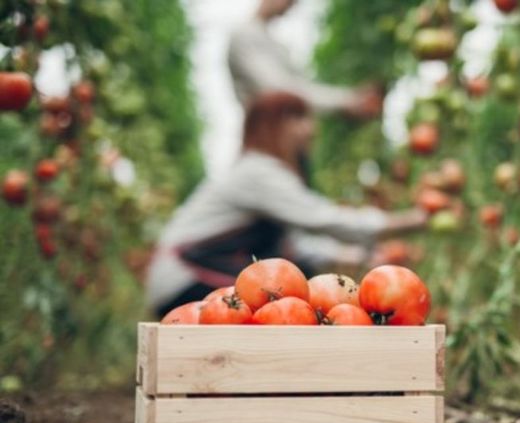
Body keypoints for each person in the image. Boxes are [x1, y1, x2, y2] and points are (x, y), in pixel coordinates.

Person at [146, 92, 426, 317]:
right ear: (274, 126)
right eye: (299, 118)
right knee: (289, 298)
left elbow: (297, 247)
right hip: (185, 279)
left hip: (188, 276)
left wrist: (362, 258)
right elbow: (322, 218)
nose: (311, 129)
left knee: (293, 290)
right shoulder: (259, 172)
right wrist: (407, 220)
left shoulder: (259, 173)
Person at [227, 0, 380, 117]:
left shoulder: (274, 44)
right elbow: (279, 91)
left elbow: (298, 87)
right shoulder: (245, 35)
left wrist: (350, 98)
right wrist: (348, 101)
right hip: (264, 139)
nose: (291, 6)